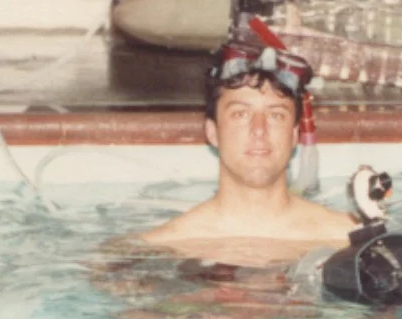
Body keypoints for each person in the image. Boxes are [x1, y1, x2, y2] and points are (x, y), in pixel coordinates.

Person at [140, 37, 357, 257]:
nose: (259, 130)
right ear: (212, 133)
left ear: (294, 136)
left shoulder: (348, 238)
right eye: (240, 114)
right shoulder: (164, 247)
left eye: (276, 115)